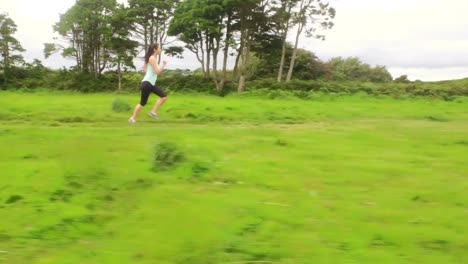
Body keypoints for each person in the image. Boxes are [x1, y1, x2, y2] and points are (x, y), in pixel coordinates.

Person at [129, 43, 168, 124]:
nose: (160, 50)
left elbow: (145, 68)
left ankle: (153, 112)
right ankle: (132, 119)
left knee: (163, 97)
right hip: (147, 84)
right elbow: (157, 72)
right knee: (142, 103)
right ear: (155, 49)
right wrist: (163, 65)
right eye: (159, 48)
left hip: (150, 83)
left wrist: (148, 74)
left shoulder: (153, 58)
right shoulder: (152, 58)